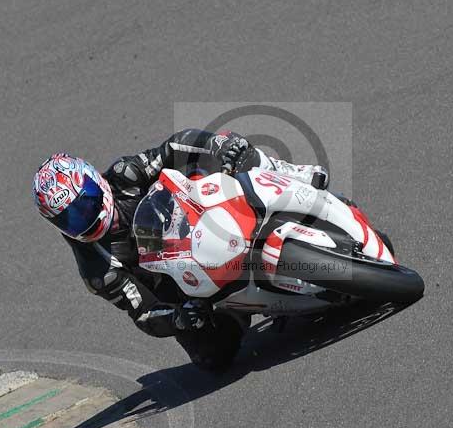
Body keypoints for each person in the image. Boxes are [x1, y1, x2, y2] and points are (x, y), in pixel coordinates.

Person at [32, 129, 328, 371]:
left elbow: (174, 146)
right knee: (212, 359)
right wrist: (178, 317)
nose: (84, 218)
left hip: (205, 214)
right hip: (187, 282)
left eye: (84, 203)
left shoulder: (126, 175)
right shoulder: (98, 270)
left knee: (237, 154)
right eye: (69, 218)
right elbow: (144, 313)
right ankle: (245, 303)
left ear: (95, 180)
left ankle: (292, 176)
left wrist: (217, 143)